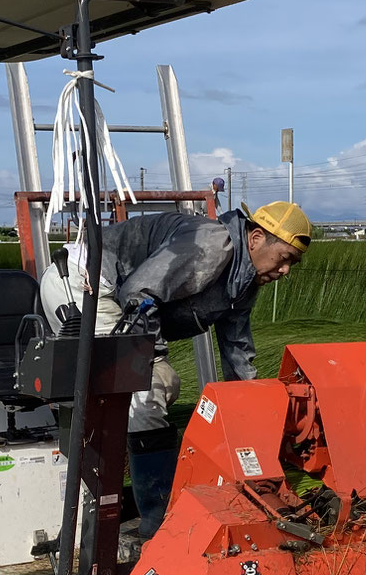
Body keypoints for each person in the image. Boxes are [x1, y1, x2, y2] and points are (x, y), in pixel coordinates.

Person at [38, 200, 310, 533]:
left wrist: (249, 410)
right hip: (84, 283)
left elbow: (238, 352)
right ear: (255, 238)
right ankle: (157, 520)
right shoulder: (213, 245)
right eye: (284, 259)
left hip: (113, 299)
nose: (285, 272)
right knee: (145, 391)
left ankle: (146, 500)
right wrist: (149, 358)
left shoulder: (243, 284)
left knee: (166, 384)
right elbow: (139, 294)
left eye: (292, 264)